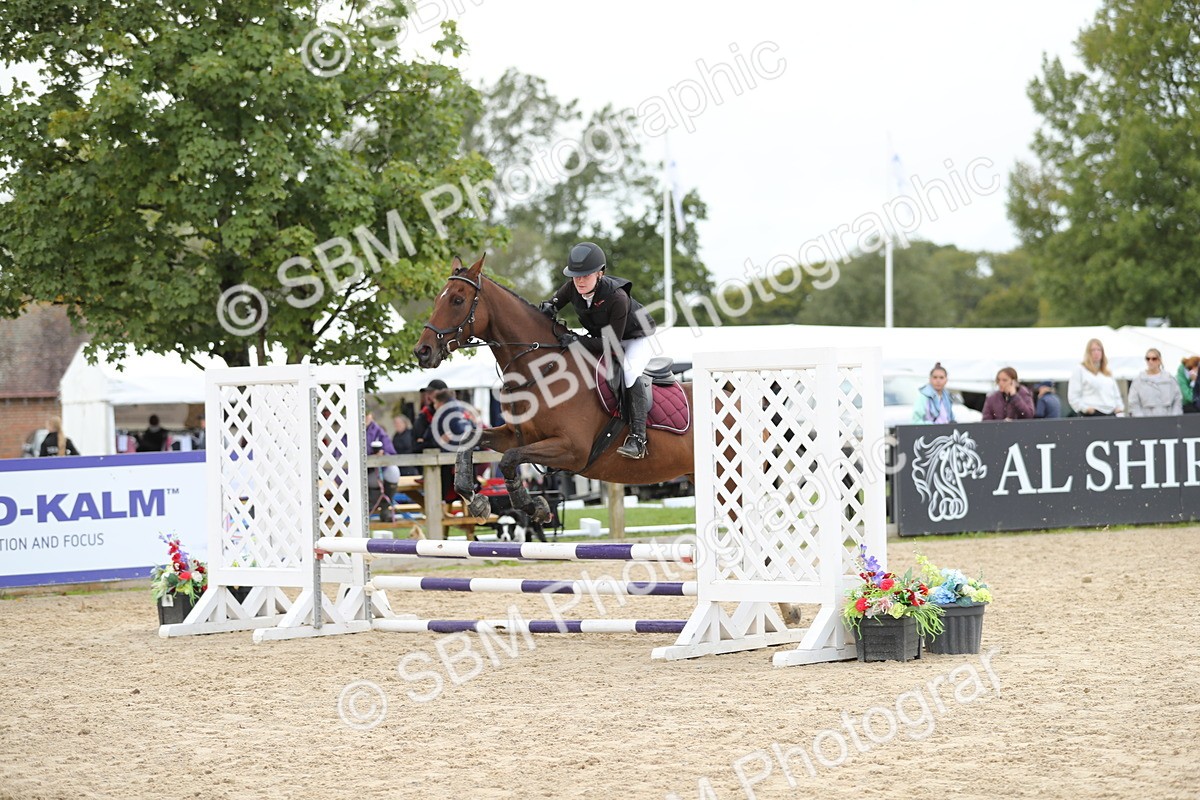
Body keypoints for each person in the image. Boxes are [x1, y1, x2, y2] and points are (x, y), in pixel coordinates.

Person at [539, 242, 656, 459]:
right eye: (576, 276)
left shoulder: (617, 298)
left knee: (629, 373)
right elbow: (551, 305)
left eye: (586, 275)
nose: (580, 281)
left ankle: (638, 439)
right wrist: (545, 309)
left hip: (635, 338)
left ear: (600, 273)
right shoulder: (572, 288)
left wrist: (577, 340)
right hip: (603, 338)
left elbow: (612, 344)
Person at [430, 388, 477, 502]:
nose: (434, 406)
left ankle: (441, 504)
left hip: (450, 456)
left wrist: (440, 441)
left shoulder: (444, 412)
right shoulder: (463, 408)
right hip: (471, 452)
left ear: (440, 402)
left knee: (441, 490)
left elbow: (437, 437)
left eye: (435, 402)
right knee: (467, 491)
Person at [1068, 338, 1123, 417]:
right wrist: (1085, 408)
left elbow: (1116, 393)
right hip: (1091, 415)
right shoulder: (1080, 369)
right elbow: (1073, 396)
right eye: (1093, 350)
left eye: (1099, 350)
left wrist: (1119, 407)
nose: (1096, 352)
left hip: (1110, 413)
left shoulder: (1107, 372)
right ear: (1088, 352)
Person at [1128, 349, 1182, 417]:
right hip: (1146, 419)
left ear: (1159, 360)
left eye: (1154, 359)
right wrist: (1140, 419)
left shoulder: (1170, 379)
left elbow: (1177, 400)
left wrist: (1174, 417)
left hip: (1168, 418)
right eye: (1148, 359)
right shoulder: (1138, 381)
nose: (1150, 361)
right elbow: (1134, 403)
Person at [365, 412, 398, 522]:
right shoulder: (348, 432)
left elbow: (391, 454)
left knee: (393, 471)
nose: (365, 417)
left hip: (378, 473)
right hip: (359, 475)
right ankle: (372, 505)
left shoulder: (379, 432)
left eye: (367, 414)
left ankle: (385, 507)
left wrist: (383, 455)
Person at [413, 379, 447, 450]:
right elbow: (417, 445)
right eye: (428, 393)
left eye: (431, 393)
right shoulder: (424, 415)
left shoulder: (453, 413)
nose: (428, 396)